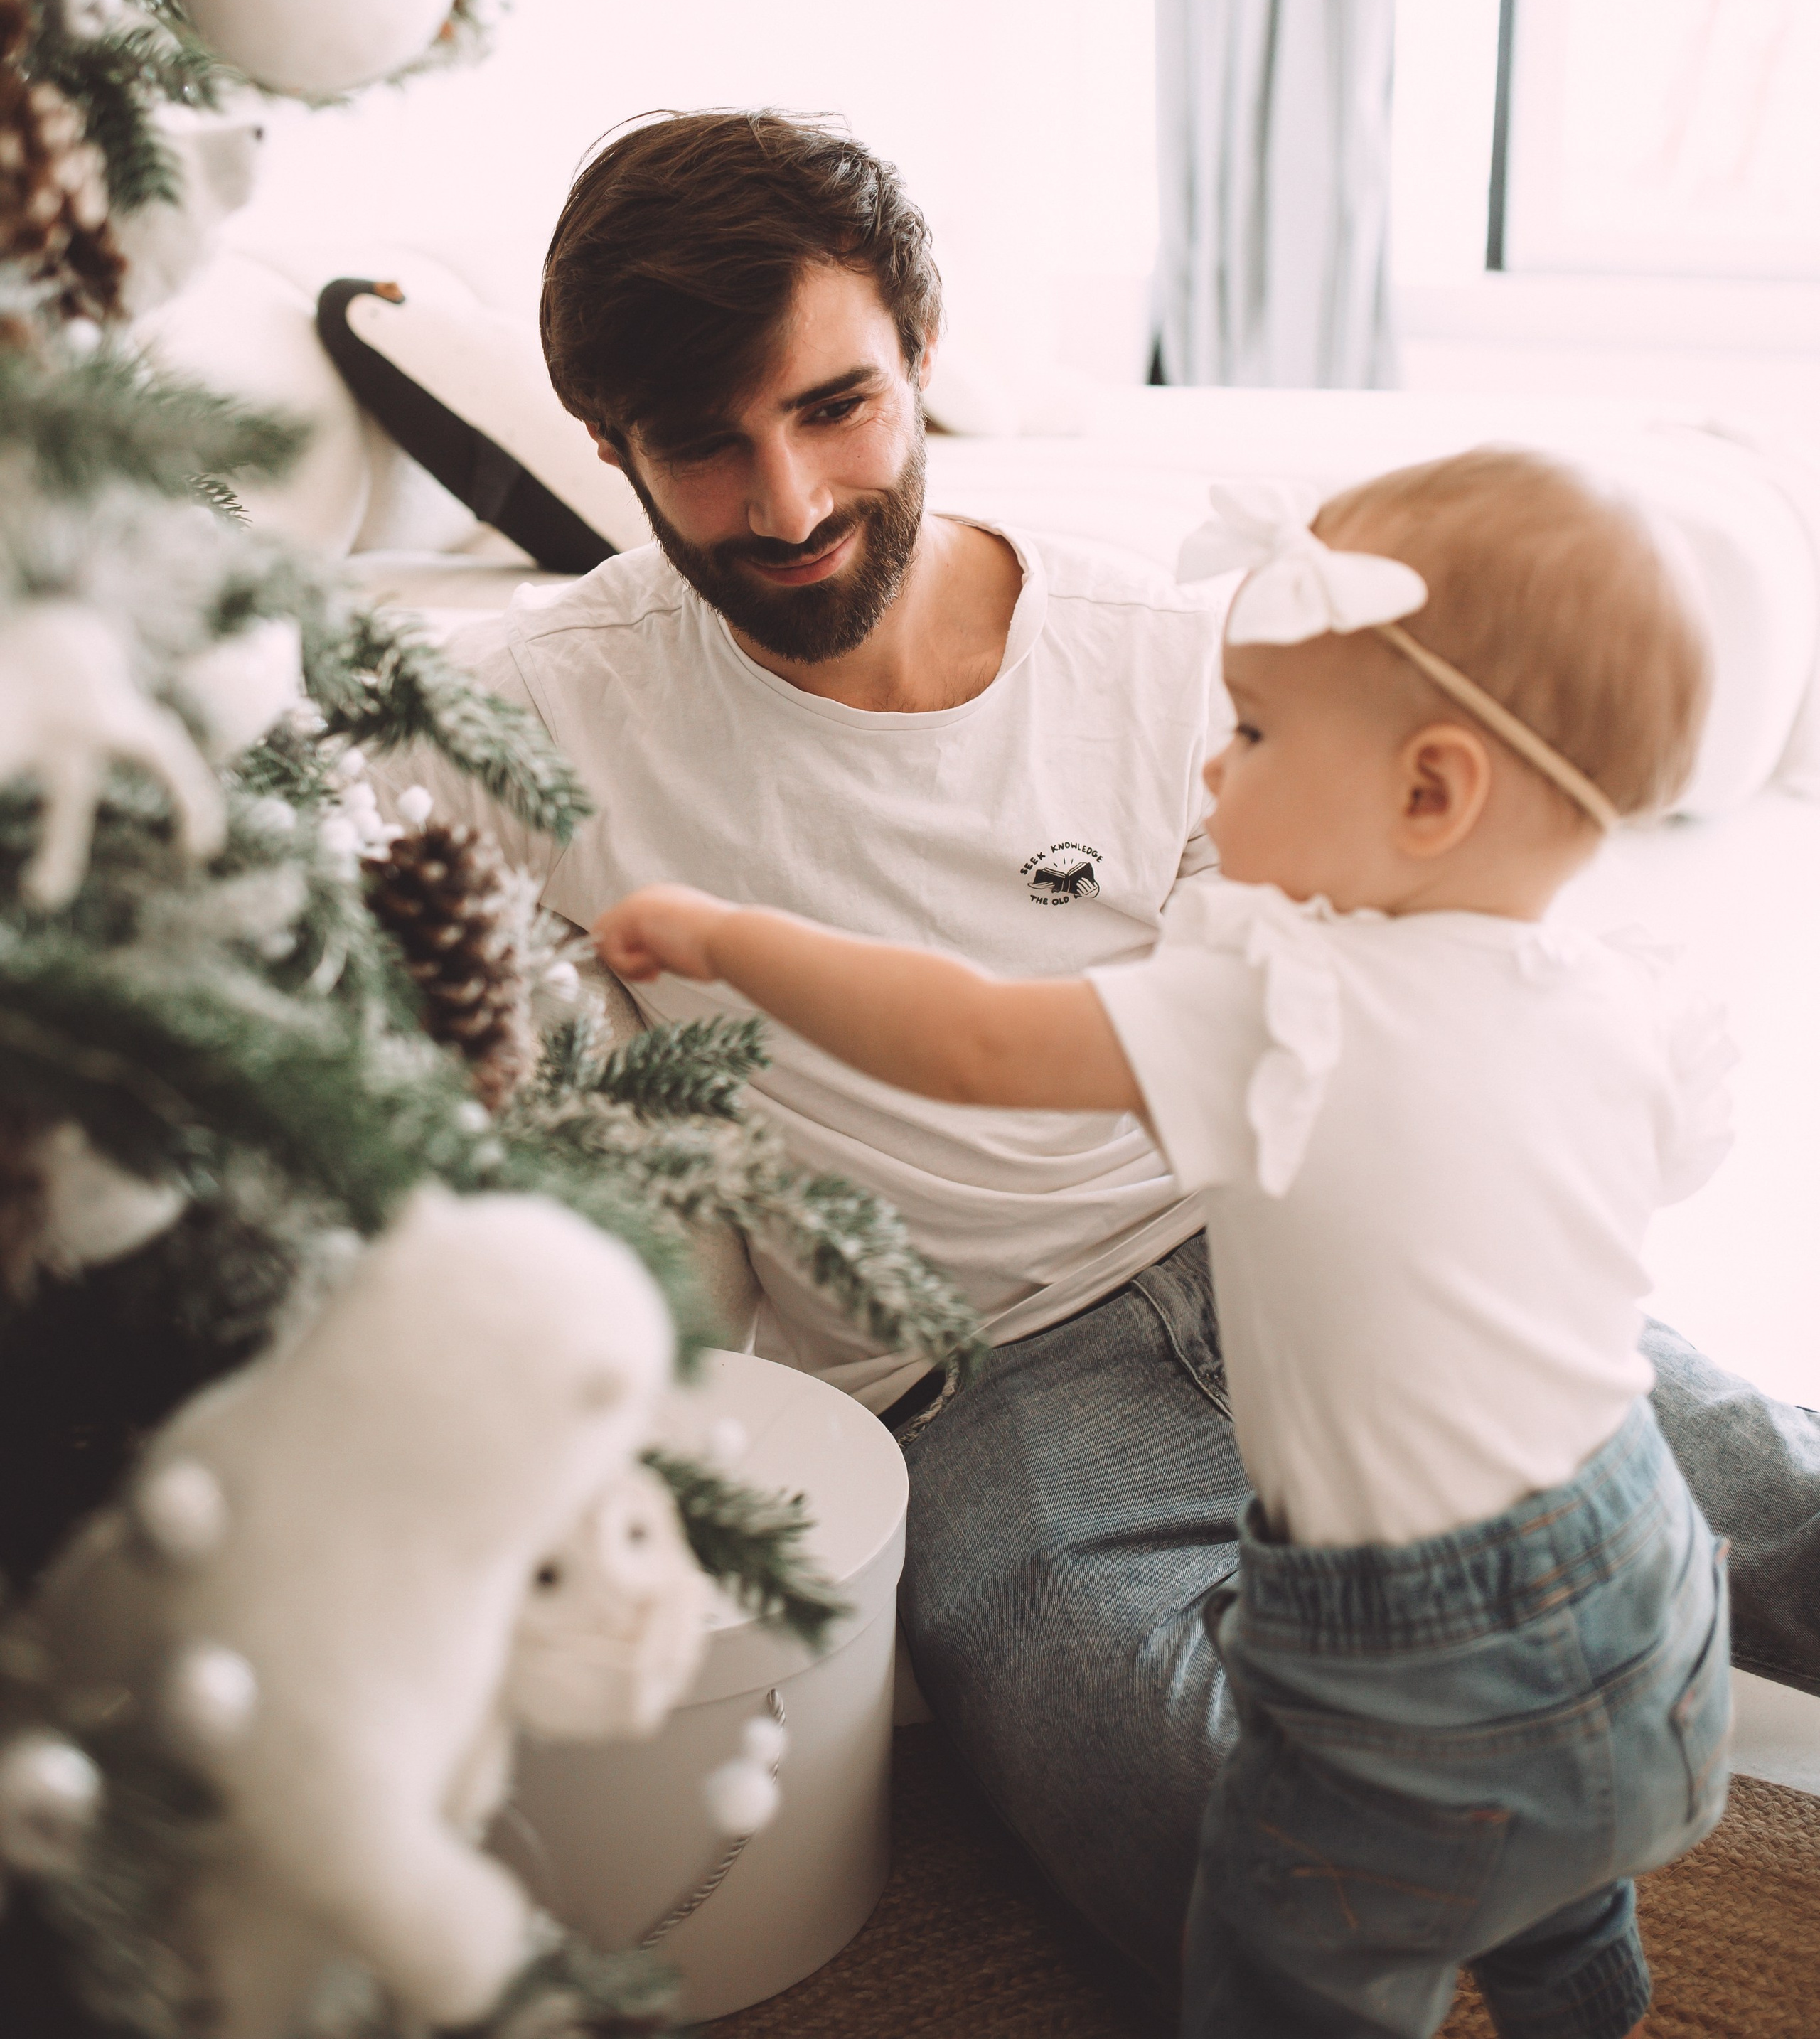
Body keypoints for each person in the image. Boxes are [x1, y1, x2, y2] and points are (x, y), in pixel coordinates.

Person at [372, 108, 1820, 1983]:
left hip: (1321, 1240)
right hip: (988, 1376)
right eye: (704, 447)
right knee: (1205, 1849)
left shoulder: (1174, 657)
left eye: (837, 407)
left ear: (923, 349)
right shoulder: (548, 713)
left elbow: (1417, 983)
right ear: (609, 448)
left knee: (1767, 1497)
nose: (793, 501)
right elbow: (249, 817)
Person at [594, 448, 1735, 2039]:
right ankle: (1583, 1992)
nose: (1207, 771)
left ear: (1428, 793)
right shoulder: (1611, 1001)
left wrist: (728, 938)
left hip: (1401, 1677)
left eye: (1254, 734)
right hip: (1643, 1594)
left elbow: (979, 1042)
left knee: (1290, 1959)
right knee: (1551, 1843)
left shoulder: (1286, 1006)